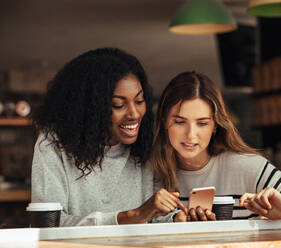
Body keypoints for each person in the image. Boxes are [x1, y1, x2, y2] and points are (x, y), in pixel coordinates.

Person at [151, 71, 281, 221]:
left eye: (202, 123)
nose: (191, 135)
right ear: (164, 121)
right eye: (180, 122)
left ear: (216, 125)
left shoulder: (246, 166)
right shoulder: (148, 174)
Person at [31, 47, 186, 226]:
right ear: (91, 108)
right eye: (119, 105)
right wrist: (130, 216)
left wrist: (177, 218)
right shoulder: (53, 144)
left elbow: (155, 217)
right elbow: (48, 224)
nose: (134, 114)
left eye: (139, 101)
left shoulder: (145, 143)